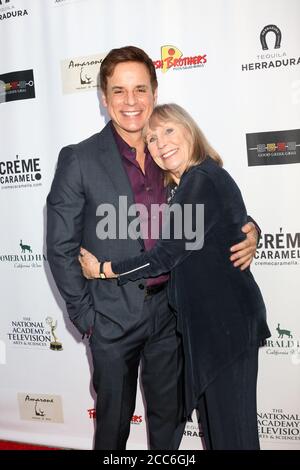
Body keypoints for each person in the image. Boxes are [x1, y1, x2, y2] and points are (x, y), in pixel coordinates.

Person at [47, 46, 260, 450]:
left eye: (140, 89)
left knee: (169, 425)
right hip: (110, 319)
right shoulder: (79, 159)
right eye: (120, 91)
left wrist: (251, 231)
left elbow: (215, 206)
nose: (131, 102)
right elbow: (59, 248)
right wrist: (87, 319)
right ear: (104, 98)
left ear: (155, 92)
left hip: (172, 317)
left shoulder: (173, 154)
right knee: (111, 430)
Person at [79, 103, 271, 450]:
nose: (160, 142)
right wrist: (252, 228)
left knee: (233, 436)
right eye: (151, 138)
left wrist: (104, 270)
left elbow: (166, 256)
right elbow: (229, 220)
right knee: (218, 434)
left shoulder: (200, 179)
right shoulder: (184, 188)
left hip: (226, 328)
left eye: (168, 130)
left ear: (189, 130)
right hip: (210, 330)